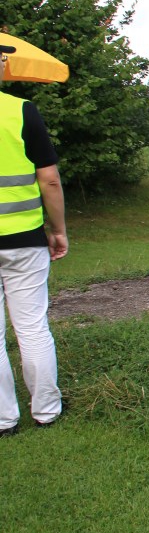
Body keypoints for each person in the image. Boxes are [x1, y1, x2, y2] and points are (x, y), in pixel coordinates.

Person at [0, 90, 68, 436]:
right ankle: (46, 410)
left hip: (22, 241)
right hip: (23, 239)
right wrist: (57, 229)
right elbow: (50, 179)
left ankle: (3, 420)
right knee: (31, 328)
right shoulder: (20, 111)